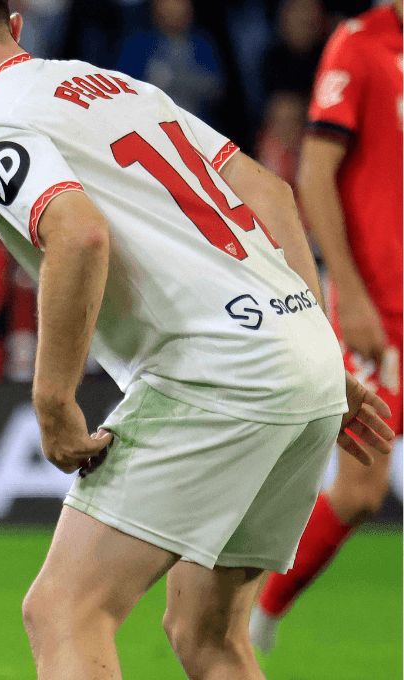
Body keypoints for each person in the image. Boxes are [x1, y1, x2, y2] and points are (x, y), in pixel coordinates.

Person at [0, 1, 395, 678]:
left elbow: (79, 233)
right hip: (301, 354)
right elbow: (269, 192)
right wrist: (320, 349)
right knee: (206, 635)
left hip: (217, 370)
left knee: (65, 610)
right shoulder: (119, 88)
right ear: (14, 26)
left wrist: (54, 398)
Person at [250, 0, 403, 652]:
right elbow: (315, 174)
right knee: (363, 490)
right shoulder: (359, 44)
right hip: (382, 306)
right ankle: (259, 610)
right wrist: (352, 295)